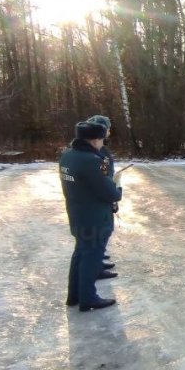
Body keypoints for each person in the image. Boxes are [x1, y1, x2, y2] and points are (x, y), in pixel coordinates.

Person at [59, 121, 121, 312]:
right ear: (95, 139)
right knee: (91, 258)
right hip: (94, 218)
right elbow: (110, 192)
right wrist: (117, 186)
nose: (103, 143)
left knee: (80, 254)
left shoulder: (68, 155)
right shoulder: (91, 161)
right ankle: (88, 297)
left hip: (78, 214)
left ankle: (75, 295)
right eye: (102, 139)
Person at [85, 114, 118, 279]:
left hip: (103, 195)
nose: (110, 132)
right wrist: (112, 196)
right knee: (99, 233)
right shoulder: (96, 151)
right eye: (108, 129)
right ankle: (96, 266)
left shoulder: (99, 148)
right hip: (99, 198)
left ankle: (98, 260)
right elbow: (101, 178)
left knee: (103, 233)